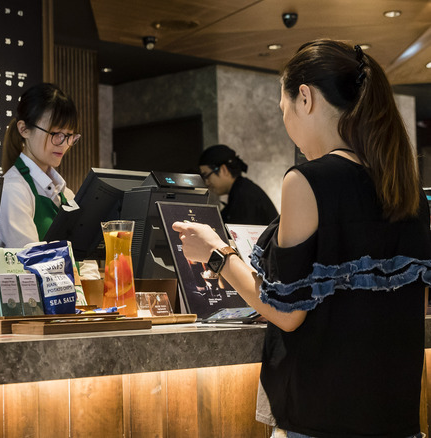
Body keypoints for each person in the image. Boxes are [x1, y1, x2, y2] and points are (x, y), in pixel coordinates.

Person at [173, 39, 431, 437]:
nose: (286, 119)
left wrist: (216, 254)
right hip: (395, 415)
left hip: (322, 415)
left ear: (305, 98)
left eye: (284, 107)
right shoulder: (406, 185)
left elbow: (288, 313)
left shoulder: (308, 181)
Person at [0, 83, 80, 248]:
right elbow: (32, 261)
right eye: (55, 134)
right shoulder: (12, 190)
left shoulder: (67, 194)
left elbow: (86, 260)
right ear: (24, 129)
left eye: (69, 135)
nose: (64, 144)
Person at [199, 144, 277, 225]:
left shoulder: (245, 195)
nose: (206, 182)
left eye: (206, 175)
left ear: (224, 170)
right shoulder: (242, 189)